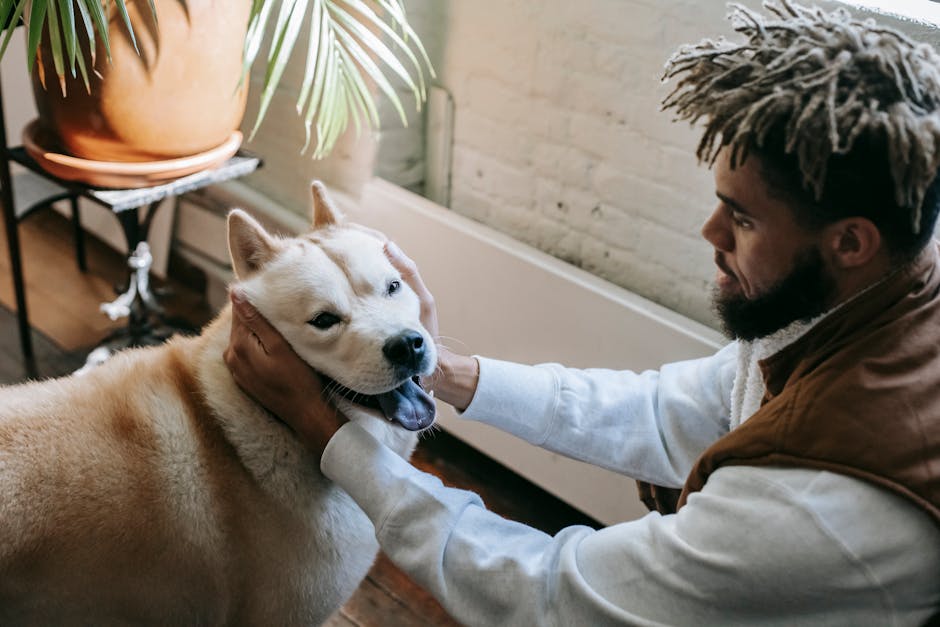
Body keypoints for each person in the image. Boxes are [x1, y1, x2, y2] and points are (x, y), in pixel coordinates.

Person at [224, 2, 940, 624]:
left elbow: (549, 594)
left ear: (850, 241)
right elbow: (672, 410)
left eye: (743, 220)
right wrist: (451, 373)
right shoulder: (863, 302)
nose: (711, 235)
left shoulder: (820, 510)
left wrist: (330, 435)